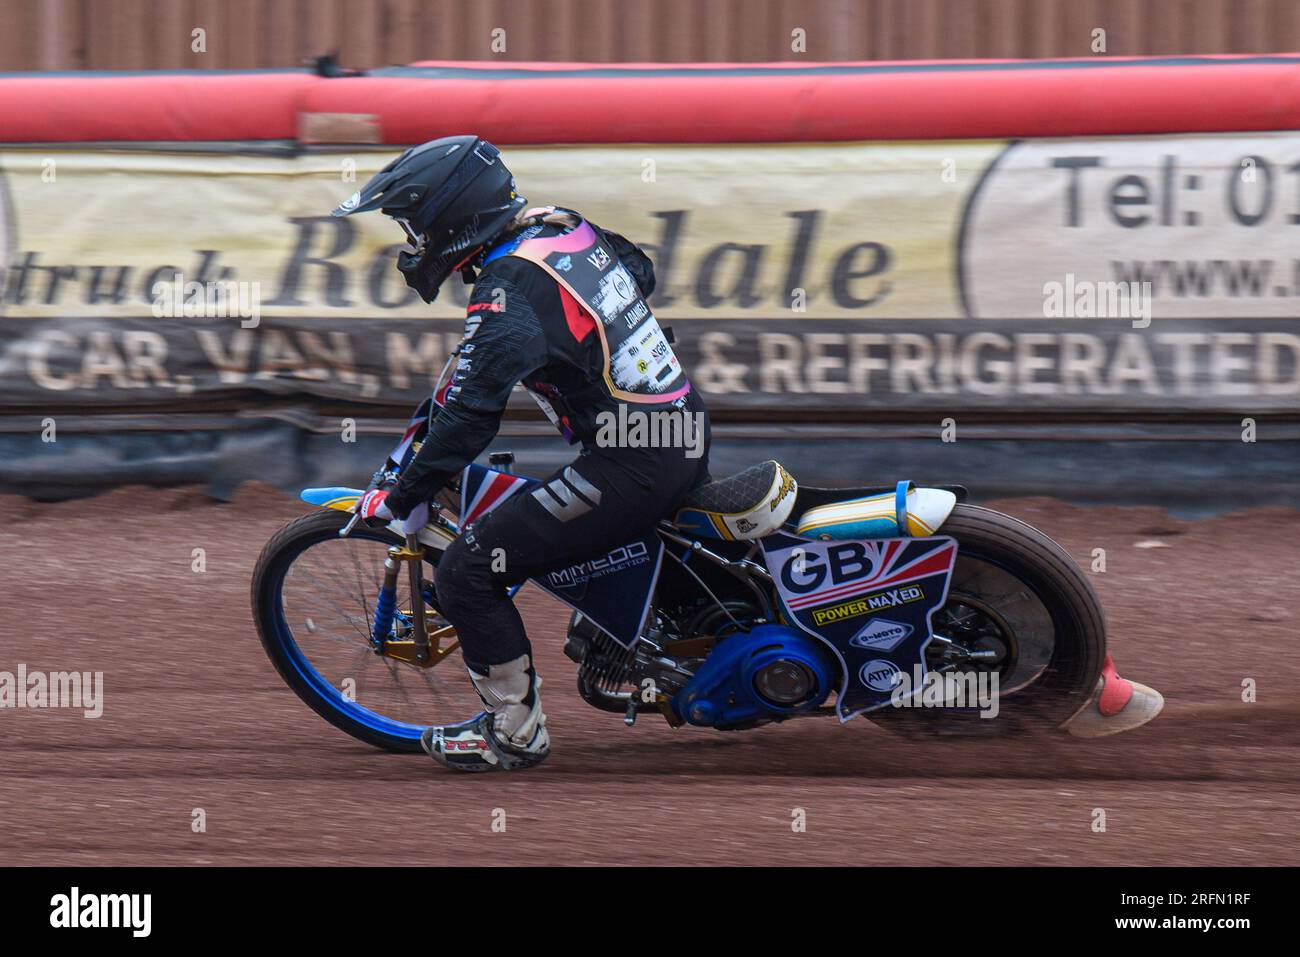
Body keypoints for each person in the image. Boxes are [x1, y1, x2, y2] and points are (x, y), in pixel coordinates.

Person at [332, 135, 711, 772]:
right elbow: (639, 270)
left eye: (413, 226)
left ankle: (513, 731)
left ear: (451, 217)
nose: (412, 244)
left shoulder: (508, 285)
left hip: (635, 462)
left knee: (467, 572)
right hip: (676, 429)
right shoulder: (559, 226)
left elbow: (472, 417)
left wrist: (404, 497)